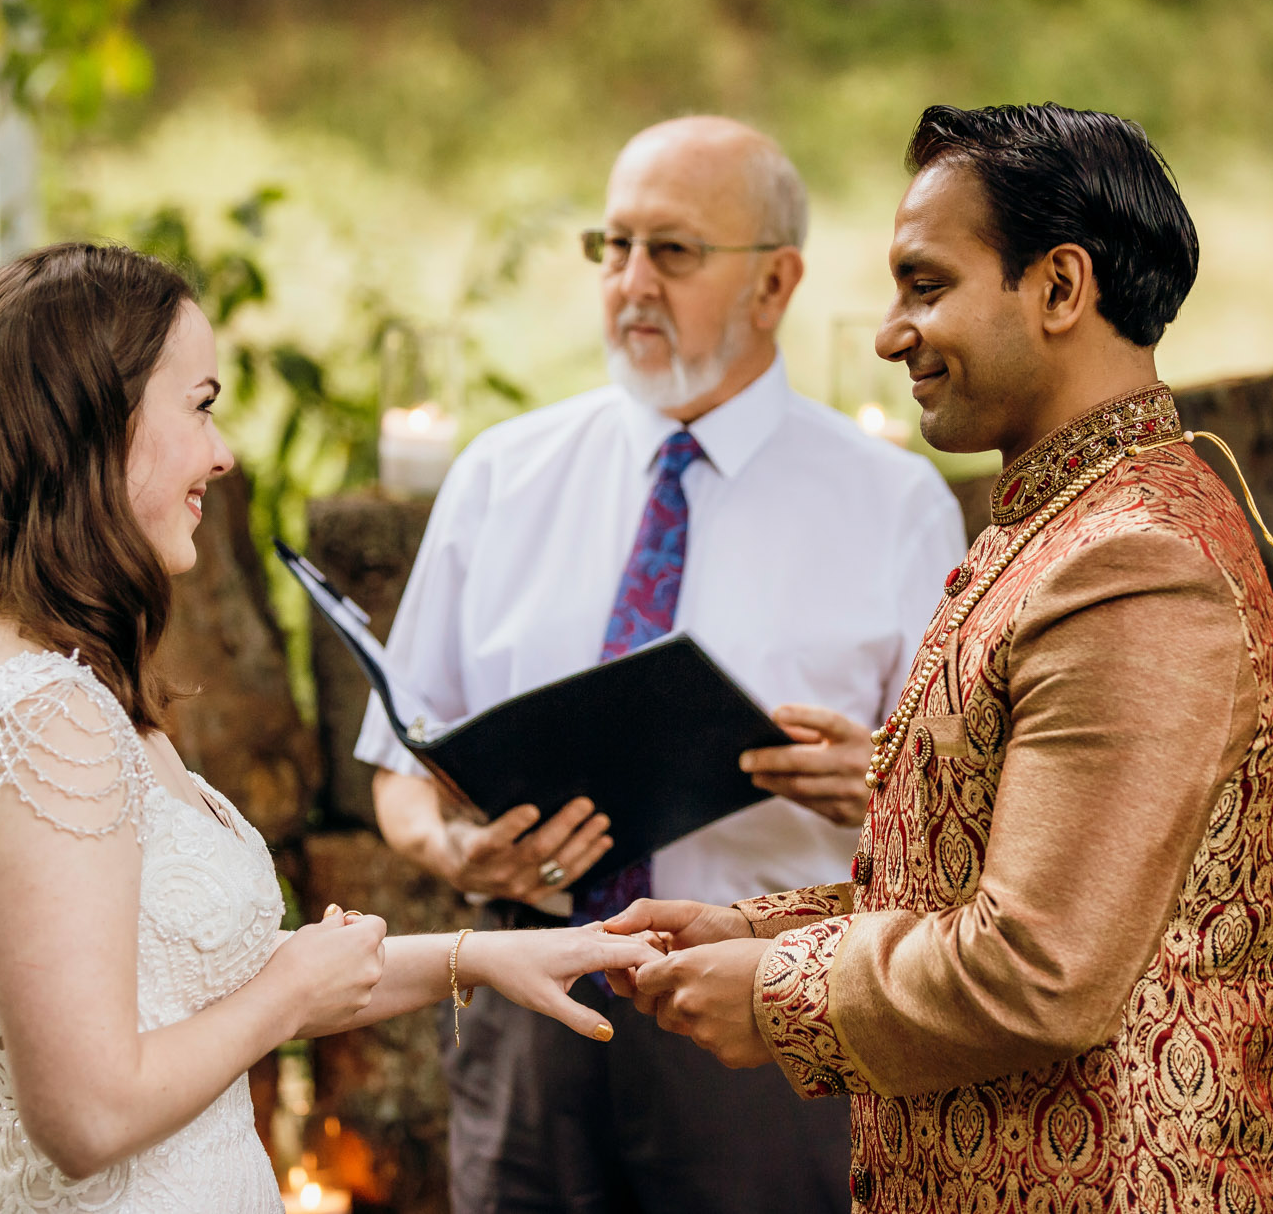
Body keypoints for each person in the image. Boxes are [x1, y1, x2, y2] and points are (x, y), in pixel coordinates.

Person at [0, 243, 660, 1214]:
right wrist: (286, 1000)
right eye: (199, 405)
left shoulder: (49, 678)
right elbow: (85, 1114)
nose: (222, 453)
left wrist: (473, 956)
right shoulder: (44, 715)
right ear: (99, 423)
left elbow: (175, 993)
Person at [611, 103, 1273, 1212]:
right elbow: (957, 881)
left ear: (1059, 288)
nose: (890, 334)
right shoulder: (1051, 525)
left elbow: (1040, 967)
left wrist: (775, 996)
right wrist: (747, 929)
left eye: (924, 286)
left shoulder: (1131, 559)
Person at [353, 116, 966, 1213]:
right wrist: (454, 852)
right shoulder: (502, 475)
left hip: (766, 1032)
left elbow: (964, 814)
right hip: (526, 1008)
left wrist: (883, 784)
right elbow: (397, 760)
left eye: (671, 251)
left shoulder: (892, 507)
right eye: (612, 246)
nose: (630, 281)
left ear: (774, 283)